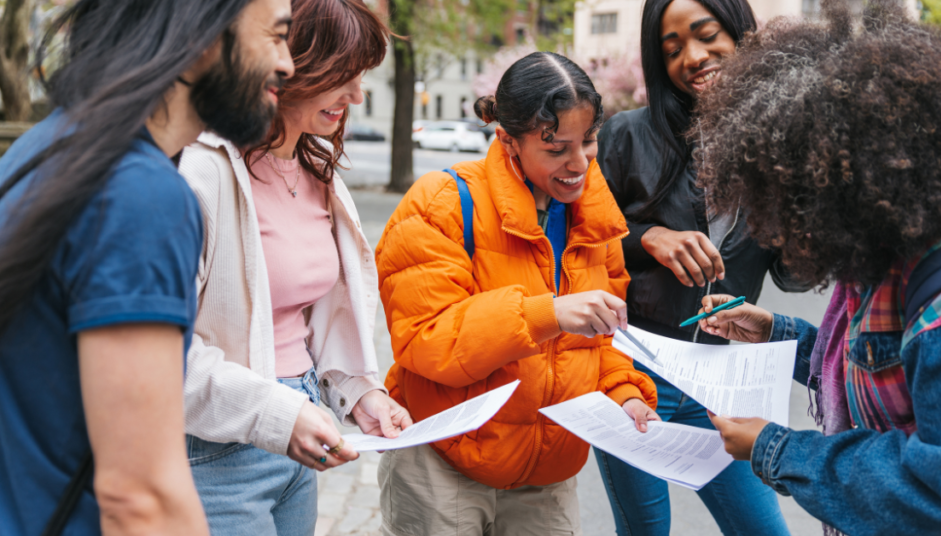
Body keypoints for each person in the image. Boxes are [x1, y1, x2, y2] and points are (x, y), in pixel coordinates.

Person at [689, 1, 941, 534]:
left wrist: (777, 449)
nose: (781, 226)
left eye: (788, 198)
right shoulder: (899, 239)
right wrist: (778, 333)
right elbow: (885, 367)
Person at [0, 0, 294, 534]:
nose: (287, 63)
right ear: (202, 32)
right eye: (276, 36)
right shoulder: (139, 195)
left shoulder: (45, 150)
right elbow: (141, 498)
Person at [375, 51, 659, 535]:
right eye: (557, 150)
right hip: (445, 464)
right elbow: (425, 340)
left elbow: (605, 340)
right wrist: (544, 314)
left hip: (547, 477)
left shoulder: (596, 216)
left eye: (588, 141)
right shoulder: (439, 204)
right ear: (507, 139)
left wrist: (625, 392)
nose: (579, 164)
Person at [176, 0, 411, 534]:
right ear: (291, 65)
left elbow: (316, 319)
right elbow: (164, 353)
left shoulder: (316, 170)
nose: (356, 96)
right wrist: (278, 416)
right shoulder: (203, 173)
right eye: (343, 78)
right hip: (217, 451)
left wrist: (360, 393)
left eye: (361, 78)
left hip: (297, 435)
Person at [595, 0, 807, 533]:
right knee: (645, 529)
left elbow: (794, 276)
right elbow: (579, 249)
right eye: (671, 50)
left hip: (722, 379)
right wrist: (650, 238)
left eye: (705, 34)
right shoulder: (625, 136)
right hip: (633, 372)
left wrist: (797, 204)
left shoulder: (780, 143)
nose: (691, 57)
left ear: (740, 33)